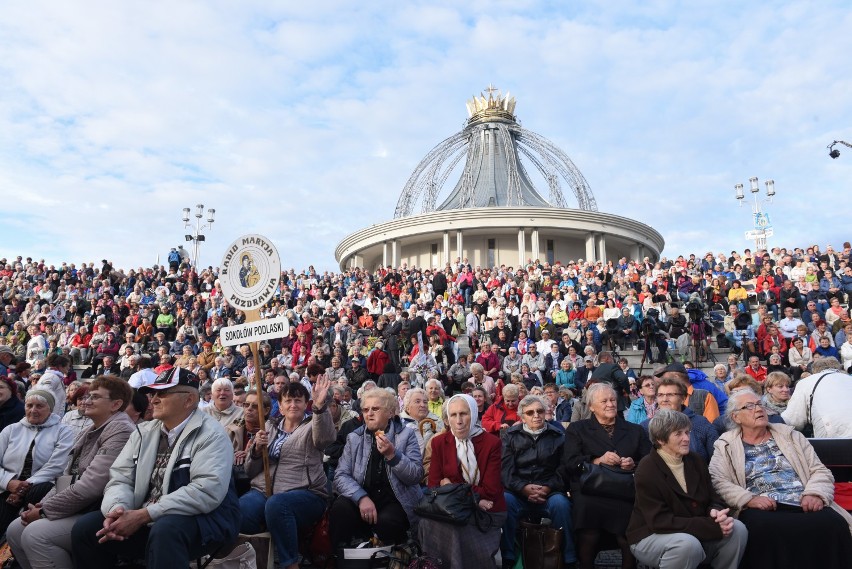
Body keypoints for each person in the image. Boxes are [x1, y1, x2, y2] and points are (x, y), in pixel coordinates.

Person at [70, 367, 241, 569]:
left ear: (189, 400)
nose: (154, 399)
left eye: (163, 393)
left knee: (166, 530)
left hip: (206, 520)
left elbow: (206, 491)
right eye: (153, 393)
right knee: (86, 529)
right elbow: (120, 478)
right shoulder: (143, 431)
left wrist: (144, 515)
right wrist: (118, 509)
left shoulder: (212, 434)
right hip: (147, 516)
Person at [709, 388, 852, 569]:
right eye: (750, 406)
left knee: (833, 523)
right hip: (761, 507)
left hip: (803, 499)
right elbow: (718, 481)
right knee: (763, 529)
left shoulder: (790, 435)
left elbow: (819, 470)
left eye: (760, 404)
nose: (759, 409)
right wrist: (748, 499)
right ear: (735, 417)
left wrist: (815, 493)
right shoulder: (725, 445)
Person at [6, 376, 134, 569]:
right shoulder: (91, 429)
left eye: (95, 397)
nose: (86, 401)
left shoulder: (120, 430)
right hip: (79, 506)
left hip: (101, 510)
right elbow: (66, 476)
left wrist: (44, 512)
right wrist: (42, 506)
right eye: (88, 396)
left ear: (116, 404)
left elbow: (92, 485)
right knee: (15, 529)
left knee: (36, 534)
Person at [627, 410, 747, 569]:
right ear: (661, 439)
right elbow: (659, 521)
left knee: (737, 529)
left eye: (687, 432)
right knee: (687, 545)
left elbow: (713, 497)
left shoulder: (695, 460)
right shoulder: (647, 469)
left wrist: (715, 511)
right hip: (651, 534)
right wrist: (710, 527)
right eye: (678, 434)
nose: (686, 438)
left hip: (692, 530)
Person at [240, 377, 335, 569]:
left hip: (305, 493)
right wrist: (257, 450)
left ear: (305, 404)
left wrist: (319, 407)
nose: (293, 404)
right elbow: (250, 471)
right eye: (288, 400)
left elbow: (325, 439)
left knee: (277, 505)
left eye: (298, 400)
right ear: (280, 406)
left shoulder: (313, 424)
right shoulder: (269, 427)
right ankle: (256, 558)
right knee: (239, 511)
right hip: (263, 491)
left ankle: (290, 563)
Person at [563, 383, 651, 569]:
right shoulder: (578, 429)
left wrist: (633, 463)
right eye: (604, 401)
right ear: (591, 407)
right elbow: (570, 462)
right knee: (589, 526)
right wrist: (597, 460)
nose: (610, 404)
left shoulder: (635, 430)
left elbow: (649, 460)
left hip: (624, 487)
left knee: (627, 530)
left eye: (612, 400)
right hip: (590, 488)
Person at [330, 387, 423, 552]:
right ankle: (340, 558)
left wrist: (393, 455)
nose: (369, 413)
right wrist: (361, 498)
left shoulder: (406, 435)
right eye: (365, 409)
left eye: (375, 409)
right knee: (339, 509)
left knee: (387, 522)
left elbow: (416, 475)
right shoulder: (354, 438)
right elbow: (340, 476)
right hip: (363, 495)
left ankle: (389, 559)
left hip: (396, 499)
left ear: (389, 413)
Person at [418, 394, 506, 569]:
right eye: (453, 415)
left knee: (457, 528)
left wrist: (451, 486)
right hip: (453, 506)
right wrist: (472, 496)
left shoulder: (491, 443)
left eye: (464, 414)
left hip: (487, 510)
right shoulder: (439, 443)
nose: (458, 421)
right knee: (426, 523)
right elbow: (434, 485)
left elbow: (491, 490)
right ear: (448, 418)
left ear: (473, 414)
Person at [500, 394, 576, 569]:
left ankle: (569, 557)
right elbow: (506, 471)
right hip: (519, 493)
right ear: (522, 416)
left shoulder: (558, 436)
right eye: (530, 412)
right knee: (505, 501)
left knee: (562, 505)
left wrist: (548, 488)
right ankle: (508, 556)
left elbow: (563, 469)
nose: (536, 415)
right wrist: (524, 488)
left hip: (549, 492)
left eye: (540, 411)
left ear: (545, 412)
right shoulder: (510, 436)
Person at [0, 389, 75, 535]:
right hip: (7, 485)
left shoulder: (63, 431)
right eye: (29, 405)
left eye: (39, 406)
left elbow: (56, 466)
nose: (33, 410)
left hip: (39, 486)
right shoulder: (11, 430)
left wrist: (22, 488)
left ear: (50, 409)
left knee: (39, 491)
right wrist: (8, 482)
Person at [642, 377, 718, 463]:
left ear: (683, 399)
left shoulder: (701, 423)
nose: (664, 399)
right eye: (660, 395)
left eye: (670, 394)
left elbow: (716, 458)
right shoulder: (646, 427)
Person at [781, 358, 852, 437]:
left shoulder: (807, 381)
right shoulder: (849, 378)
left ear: (814, 371)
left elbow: (793, 420)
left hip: (834, 437)